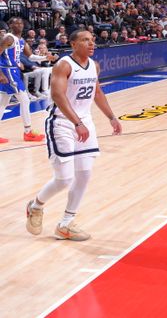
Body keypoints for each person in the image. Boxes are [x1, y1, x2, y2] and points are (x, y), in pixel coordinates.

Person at [25, 30, 122, 241]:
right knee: (64, 178)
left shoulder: (94, 66)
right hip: (62, 122)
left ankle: (66, 224)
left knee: (85, 173)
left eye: (92, 39)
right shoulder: (64, 65)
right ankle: (35, 206)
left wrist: (111, 117)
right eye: (85, 40)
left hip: (84, 122)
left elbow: (97, 93)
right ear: (73, 44)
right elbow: (57, 95)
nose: (91, 43)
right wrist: (76, 122)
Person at [0, 19, 57, 143]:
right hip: (9, 71)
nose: (19, 25)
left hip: (13, 71)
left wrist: (45, 57)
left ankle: (28, 132)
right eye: (16, 23)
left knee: (2, 103)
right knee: (25, 100)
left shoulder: (21, 40)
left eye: (21, 23)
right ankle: (28, 132)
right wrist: (0, 74)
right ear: (10, 25)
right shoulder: (8, 38)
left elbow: (30, 56)